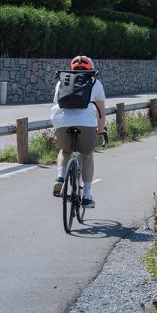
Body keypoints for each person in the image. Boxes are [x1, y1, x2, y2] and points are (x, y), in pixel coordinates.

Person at [51, 55, 107, 208]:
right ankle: (87, 196)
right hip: (86, 123)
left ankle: (60, 177)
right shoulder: (95, 81)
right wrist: (101, 131)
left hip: (62, 122)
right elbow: (101, 113)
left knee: (64, 150)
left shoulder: (62, 81)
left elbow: (57, 104)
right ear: (91, 68)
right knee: (87, 155)